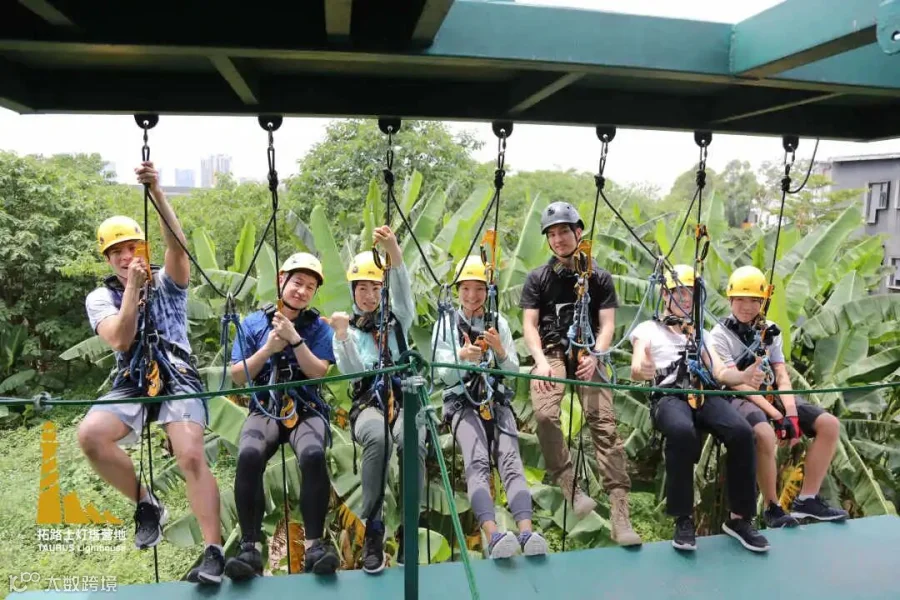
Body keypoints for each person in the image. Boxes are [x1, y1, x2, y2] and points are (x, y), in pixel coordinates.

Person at [76, 161, 224, 583]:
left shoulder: (168, 282)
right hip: (133, 377)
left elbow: (178, 246)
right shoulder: (100, 297)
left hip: (176, 372)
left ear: (143, 249)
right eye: (116, 253)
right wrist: (132, 290)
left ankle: (213, 550)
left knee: (190, 453)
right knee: (90, 435)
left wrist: (157, 192)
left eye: (131, 248)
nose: (126, 257)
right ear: (109, 259)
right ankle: (146, 503)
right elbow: (120, 340)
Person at [519, 201, 641, 546]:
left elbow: (608, 324)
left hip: (589, 352)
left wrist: (597, 355)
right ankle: (568, 483)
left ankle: (620, 515)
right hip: (552, 352)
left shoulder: (598, 277)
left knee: (604, 426)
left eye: (564, 232)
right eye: (552, 234)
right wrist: (541, 362)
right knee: (544, 414)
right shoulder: (538, 278)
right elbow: (529, 325)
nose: (558, 239)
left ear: (578, 232)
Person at [630, 264, 770, 553]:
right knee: (682, 432)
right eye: (678, 293)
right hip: (669, 396)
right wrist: (642, 369)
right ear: (665, 295)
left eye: (689, 294)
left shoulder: (700, 334)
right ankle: (683, 519)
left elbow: (720, 373)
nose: (684, 299)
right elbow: (636, 365)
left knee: (742, 432)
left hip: (702, 394)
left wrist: (744, 377)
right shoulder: (648, 330)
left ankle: (740, 518)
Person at [225, 252, 339, 579]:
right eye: (297, 283)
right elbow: (238, 376)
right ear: (281, 280)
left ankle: (314, 546)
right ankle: (250, 548)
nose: (302, 291)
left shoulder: (318, 327)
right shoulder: (253, 324)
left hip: (305, 406)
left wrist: (295, 339)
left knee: (313, 454)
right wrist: (268, 349)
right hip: (266, 406)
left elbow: (318, 372)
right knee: (249, 454)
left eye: (309, 287)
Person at [710, 265, 847, 527]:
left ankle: (807, 499)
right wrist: (776, 415)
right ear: (730, 300)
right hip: (739, 395)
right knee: (765, 433)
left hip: (771, 391)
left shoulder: (770, 330)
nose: (747, 307)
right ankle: (772, 507)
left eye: (754, 300)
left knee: (829, 424)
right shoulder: (719, 335)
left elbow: (781, 373)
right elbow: (738, 385)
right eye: (740, 300)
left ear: (763, 302)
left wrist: (791, 415)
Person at [433, 256, 549, 559]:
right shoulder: (445, 324)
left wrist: (499, 350)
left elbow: (511, 372)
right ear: (458, 291)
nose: (472, 296)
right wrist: (461, 357)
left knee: (511, 461)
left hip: (495, 400)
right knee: (477, 462)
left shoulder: (499, 324)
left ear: (488, 292)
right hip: (462, 403)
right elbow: (442, 375)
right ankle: (493, 535)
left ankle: (526, 532)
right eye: (466, 289)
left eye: (479, 289)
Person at [329, 225, 426, 574]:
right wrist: (343, 335)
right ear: (353, 291)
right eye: (362, 288)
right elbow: (353, 373)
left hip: (404, 397)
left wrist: (393, 250)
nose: (370, 296)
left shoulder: (398, 319)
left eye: (375, 288)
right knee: (377, 437)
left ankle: (409, 530)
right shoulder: (347, 331)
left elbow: (402, 290)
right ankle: (373, 530)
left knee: (411, 440)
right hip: (369, 403)